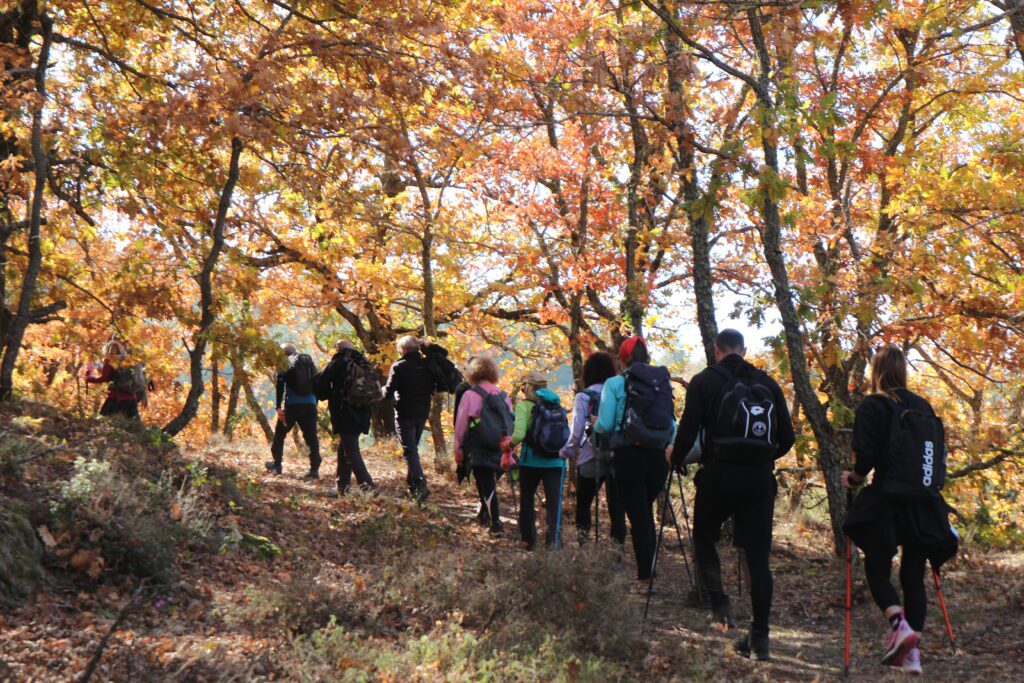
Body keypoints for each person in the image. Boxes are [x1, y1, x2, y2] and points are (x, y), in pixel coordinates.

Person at [669, 329, 794, 661]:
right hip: (758, 480)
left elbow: (688, 429)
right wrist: (762, 458)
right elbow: (788, 437)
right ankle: (761, 637)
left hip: (719, 474)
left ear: (716, 350)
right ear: (744, 350)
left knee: (704, 538)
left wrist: (676, 459)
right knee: (758, 558)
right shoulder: (767, 383)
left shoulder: (704, 381)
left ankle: (721, 606)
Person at [841, 346, 958, 676]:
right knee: (913, 575)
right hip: (924, 501)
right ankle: (912, 654)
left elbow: (865, 457)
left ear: (876, 372)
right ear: (903, 372)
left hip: (888, 499)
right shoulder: (923, 407)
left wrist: (853, 478)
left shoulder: (873, 404)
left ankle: (899, 625)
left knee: (877, 567)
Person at [595, 336, 675, 592]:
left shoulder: (615, 383)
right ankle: (648, 571)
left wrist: (593, 426)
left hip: (628, 455)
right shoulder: (660, 383)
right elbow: (671, 424)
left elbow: (606, 424)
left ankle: (645, 577)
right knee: (644, 515)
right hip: (658, 456)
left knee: (639, 517)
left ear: (622, 359)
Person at [561, 351, 626, 546]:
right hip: (617, 454)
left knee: (584, 504)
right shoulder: (617, 391)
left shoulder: (583, 396)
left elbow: (577, 429)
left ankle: (584, 546)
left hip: (590, 456)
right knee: (617, 508)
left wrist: (567, 452)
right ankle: (617, 553)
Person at [454, 356, 514, 536]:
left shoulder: (470, 395)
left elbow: (461, 424)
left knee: (485, 483)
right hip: (501, 445)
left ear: (473, 373)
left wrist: (458, 449)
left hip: (479, 445)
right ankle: (485, 516)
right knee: (488, 482)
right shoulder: (504, 396)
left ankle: (495, 523)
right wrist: (511, 449)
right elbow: (510, 422)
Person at [382, 335, 447, 501]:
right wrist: (426, 345)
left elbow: (388, 393)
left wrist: (381, 389)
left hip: (404, 413)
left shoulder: (399, 367)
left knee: (410, 450)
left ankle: (419, 483)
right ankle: (413, 488)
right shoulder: (427, 364)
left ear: (403, 350)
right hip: (422, 412)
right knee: (412, 450)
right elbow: (443, 353)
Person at [510, 371, 569, 549]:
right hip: (557, 462)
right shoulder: (556, 406)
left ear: (527, 388)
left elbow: (519, 434)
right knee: (554, 503)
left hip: (531, 462)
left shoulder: (524, 406)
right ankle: (553, 543)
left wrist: (508, 445)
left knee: (527, 500)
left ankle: (528, 540)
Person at [316, 340, 377, 496]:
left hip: (344, 410)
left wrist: (328, 395)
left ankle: (368, 487)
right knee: (345, 447)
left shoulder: (338, 362)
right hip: (363, 410)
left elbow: (320, 384)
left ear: (338, 349)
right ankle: (342, 488)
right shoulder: (364, 362)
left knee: (351, 450)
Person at [265, 343, 321, 479]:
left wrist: (278, 406)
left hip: (293, 406)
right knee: (311, 436)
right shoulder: (307, 362)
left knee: (280, 434)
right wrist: (315, 403)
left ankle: (277, 465)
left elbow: (280, 385)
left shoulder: (286, 363)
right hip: (310, 405)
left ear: (283, 354)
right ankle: (314, 469)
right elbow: (317, 382)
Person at [85, 340, 147, 420]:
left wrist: (90, 379)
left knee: (103, 421)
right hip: (132, 398)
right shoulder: (127, 361)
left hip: (115, 398)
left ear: (107, 351)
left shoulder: (110, 361)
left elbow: (104, 378)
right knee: (134, 427)